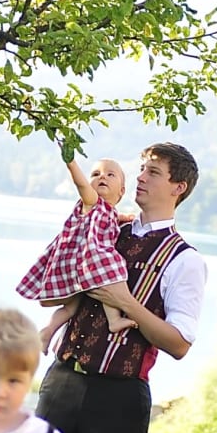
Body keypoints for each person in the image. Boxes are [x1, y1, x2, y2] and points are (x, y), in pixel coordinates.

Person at [36, 142, 205, 433]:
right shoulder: (107, 225)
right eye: (141, 170)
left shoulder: (185, 260)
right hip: (64, 378)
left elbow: (179, 343)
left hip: (121, 394)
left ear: (178, 187)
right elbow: (58, 287)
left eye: (153, 172)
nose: (141, 178)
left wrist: (127, 304)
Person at [19, 149, 136, 347]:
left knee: (71, 306)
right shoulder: (91, 201)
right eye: (96, 174)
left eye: (110, 174)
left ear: (122, 191)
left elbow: (109, 217)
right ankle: (114, 320)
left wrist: (123, 217)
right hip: (88, 261)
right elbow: (81, 185)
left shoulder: (107, 211)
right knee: (116, 269)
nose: (102, 177)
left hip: (81, 264)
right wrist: (71, 163)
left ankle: (47, 331)